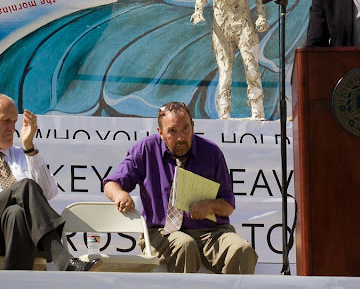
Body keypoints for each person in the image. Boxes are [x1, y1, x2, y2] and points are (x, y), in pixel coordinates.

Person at [0, 93, 100, 271]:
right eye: (6, 121)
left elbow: (49, 192)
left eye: (14, 122)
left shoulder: (24, 154)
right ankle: (63, 258)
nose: (12, 128)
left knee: (16, 213)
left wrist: (29, 148)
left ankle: (14, 279)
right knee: (24, 186)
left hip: (17, 233)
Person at [103, 101, 257, 274]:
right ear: (160, 133)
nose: (181, 138)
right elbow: (111, 184)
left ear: (193, 126)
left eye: (185, 129)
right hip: (162, 233)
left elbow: (228, 206)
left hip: (211, 232)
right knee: (185, 245)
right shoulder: (146, 149)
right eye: (172, 131)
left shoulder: (211, 152)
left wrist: (209, 206)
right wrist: (120, 195)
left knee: (243, 250)